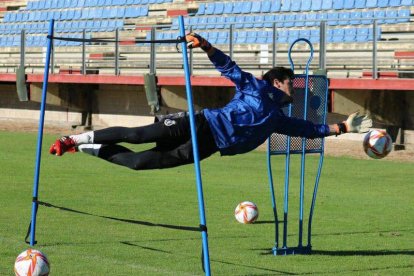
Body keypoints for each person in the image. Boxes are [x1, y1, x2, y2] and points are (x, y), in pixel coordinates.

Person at [49, 33, 372, 170]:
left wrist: (341, 127)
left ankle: (87, 148)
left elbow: (307, 129)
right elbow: (229, 67)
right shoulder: (256, 87)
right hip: (202, 122)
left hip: (208, 146)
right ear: (278, 81)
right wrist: (206, 46)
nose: (295, 88)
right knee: (137, 136)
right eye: (291, 83)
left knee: (140, 163)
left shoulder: (278, 118)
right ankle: (75, 137)